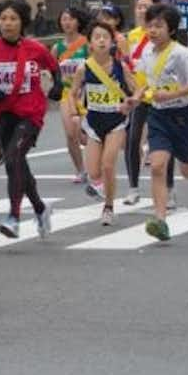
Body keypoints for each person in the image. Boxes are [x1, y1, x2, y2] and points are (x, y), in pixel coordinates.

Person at [128, 4, 188, 241]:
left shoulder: (182, 54)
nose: (153, 30)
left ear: (171, 29)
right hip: (158, 116)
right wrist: (136, 98)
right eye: (150, 25)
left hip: (182, 116)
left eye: (159, 26)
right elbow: (146, 82)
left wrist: (170, 95)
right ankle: (160, 220)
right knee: (158, 165)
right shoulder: (147, 53)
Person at [0, 0, 62, 239]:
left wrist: (57, 87)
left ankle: (14, 217)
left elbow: (54, 68)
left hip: (30, 113)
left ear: (22, 22)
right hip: (4, 114)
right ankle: (41, 209)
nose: (7, 24)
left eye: (13, 19)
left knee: (13, 160)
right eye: (3, 19)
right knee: (18, 163)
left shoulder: (35, 48)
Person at [70, 18, 134, 225]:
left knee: (108, 165)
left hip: (116, 122)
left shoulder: (120, 66)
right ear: (89, 43)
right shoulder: (83, 68)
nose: (101, 41)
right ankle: (102, 189)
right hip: (93, 122)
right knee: (94, 172)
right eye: (96, 37)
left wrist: (130, 103)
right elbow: (72, 94)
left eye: (105, 37)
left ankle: (108, 207)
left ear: (112, 42)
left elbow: (137, 91)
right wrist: (75, 115)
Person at [122, 0, 175, 206]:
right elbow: (126, 64)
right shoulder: (131, 36)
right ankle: (133, 188)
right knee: (133, 140)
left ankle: (169, 189)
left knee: (163, 143)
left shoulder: (164, 37)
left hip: (161, 95)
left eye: (147, 7)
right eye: (139, 7)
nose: (142, 10)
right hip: (138, 95)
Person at [50, 7, 90, 184]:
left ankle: (95, 160)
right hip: (67, 94)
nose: (67, 23)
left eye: (71, 19)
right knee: (71, 133)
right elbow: (51, 72)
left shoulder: (87, 44)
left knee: (86, 135)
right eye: (64, 19)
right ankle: (81, 170)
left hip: (86, 92)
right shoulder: (56, 48)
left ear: (78, 22)